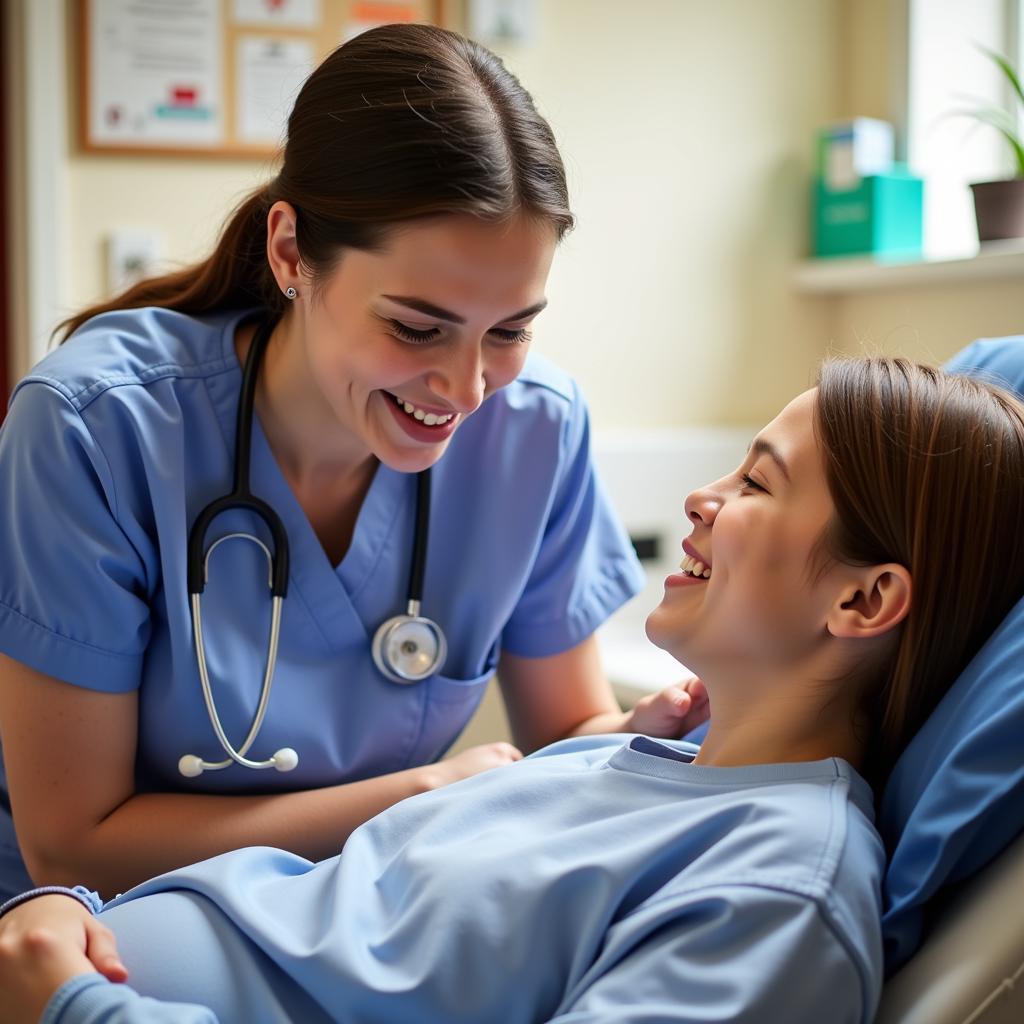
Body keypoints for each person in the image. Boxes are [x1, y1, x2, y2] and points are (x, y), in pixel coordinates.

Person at [3, 357, 1023, 1024]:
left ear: (864, 598)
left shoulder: (777, 893)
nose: (699, 500)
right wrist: (68, 918)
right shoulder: (632, 759)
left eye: (756, 484)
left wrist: (79, 1007)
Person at [0, 25, 707, 903]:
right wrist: (419, 798)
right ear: (291, 251)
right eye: (417, 327)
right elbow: (70, 846)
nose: (468, 386)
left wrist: (630, 736)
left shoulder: (535, 431)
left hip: (355, 915)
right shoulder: (96, 429)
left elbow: (566, 729)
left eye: (512, 330)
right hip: (98, 935)